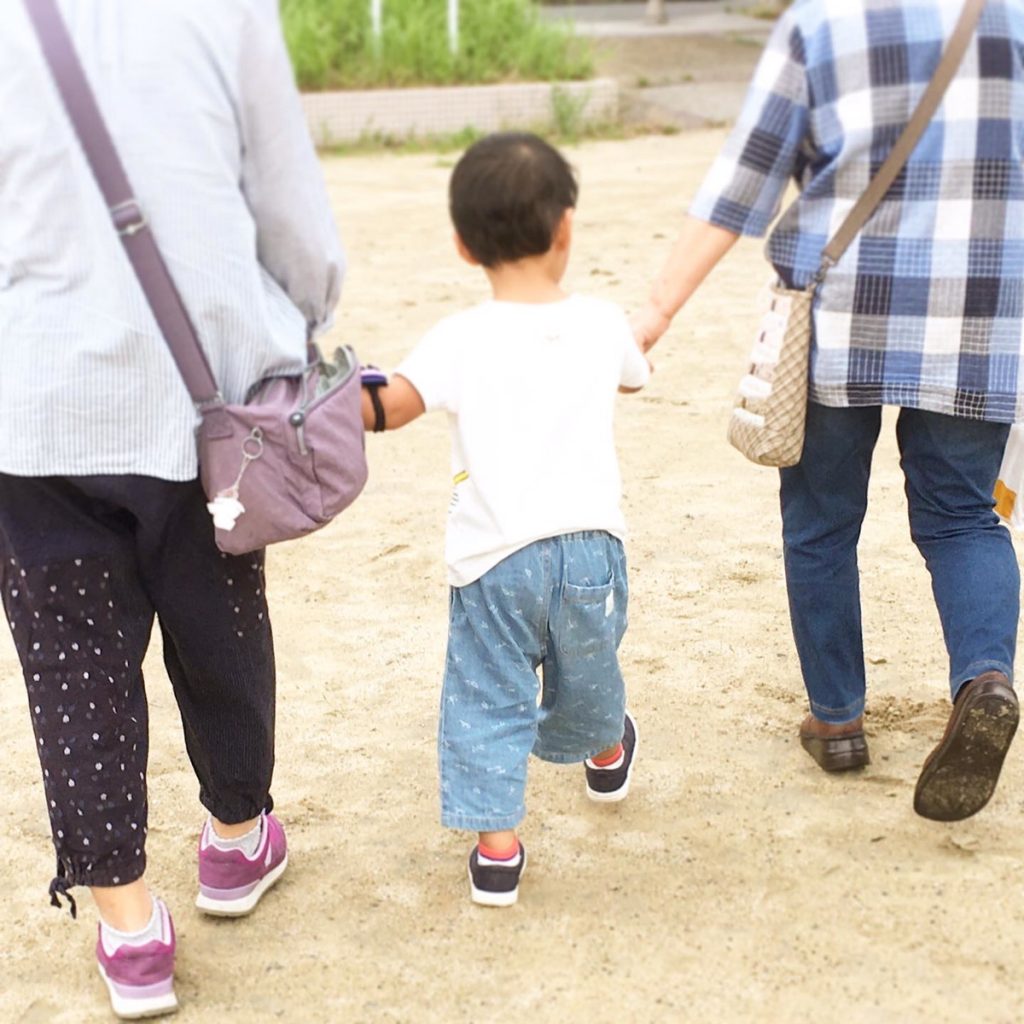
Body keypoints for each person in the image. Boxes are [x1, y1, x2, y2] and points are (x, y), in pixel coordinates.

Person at [0, 1, 343, 1017]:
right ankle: (236, 841)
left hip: (33, 408)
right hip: (201, 397)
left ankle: (128, 928)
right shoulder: (225, 9)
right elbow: (288, 203)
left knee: (72, 668)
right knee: (219, 621)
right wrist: (311, 315)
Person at [633, 0, 1022, 823]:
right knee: (961, 516)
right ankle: (985, 680)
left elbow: (742, 184)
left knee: (820, 520)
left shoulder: (825, 22)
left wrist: (658, 311)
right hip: (983, 314)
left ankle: (838, 719)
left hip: (839, 317)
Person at [360, 132, 649, 906]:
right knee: (590, 664)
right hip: (590, 547)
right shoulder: (601, 321)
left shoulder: (458, 338)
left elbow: (390, 410)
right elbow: (633, 377)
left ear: (462, 245)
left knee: (486, 691)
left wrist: (336, 393)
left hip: (494, 559)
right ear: (566, 228)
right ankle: (608, 745)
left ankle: (497, 851)